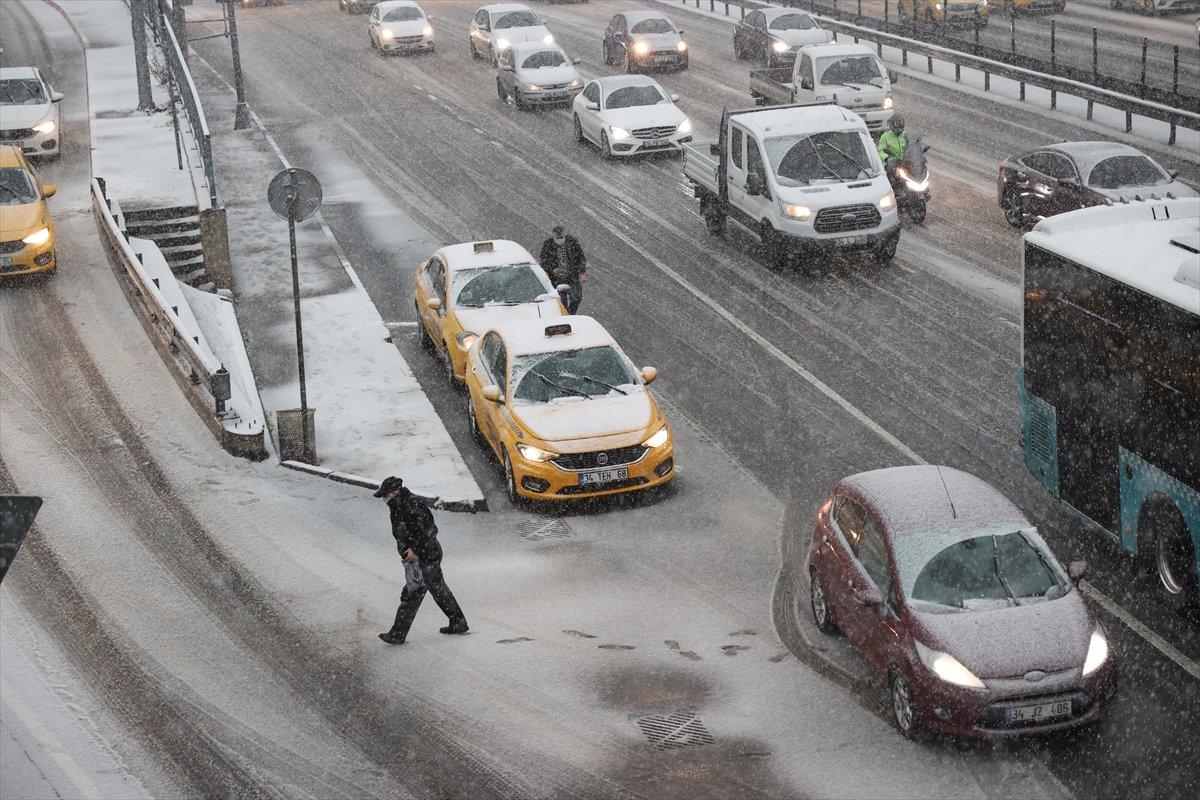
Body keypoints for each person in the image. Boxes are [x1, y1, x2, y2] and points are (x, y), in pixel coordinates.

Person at [375, 476, 469, 645]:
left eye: (386, 495)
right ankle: (458, 621)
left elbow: (429, 530)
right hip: (420, 557)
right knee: (438, 589)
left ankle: (397, 634)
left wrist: (415, 549)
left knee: (412, 594)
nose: (384, 499)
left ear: (394, 493)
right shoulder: (397, 506)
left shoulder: (412, 505)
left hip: (426, 555)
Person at [538, 225, 587, 314]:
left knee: (576, 297)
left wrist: (582, 272)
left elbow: (581, 258)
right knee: (560, 300)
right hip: (557, 278)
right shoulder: (548, 244)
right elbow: (543, 262)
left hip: (572, 275)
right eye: (557, 237)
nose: (560, 239)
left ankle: (570, 314)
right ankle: (564, 315)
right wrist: (552, 270)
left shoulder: (572, 242)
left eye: (561, 237)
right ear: (553, 235)